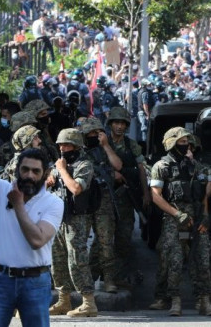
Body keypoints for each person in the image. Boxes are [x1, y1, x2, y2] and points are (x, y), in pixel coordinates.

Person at [0, 119, 63, 327]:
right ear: (17, 171)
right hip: (0, 280)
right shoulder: (1, 190)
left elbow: (37, 239)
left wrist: (18, 205)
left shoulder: (54, 203)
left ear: (45, 175)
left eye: (36, 171)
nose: (29, 176)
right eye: (25, 170)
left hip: (35, 282)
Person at [149, 127, 211, 316]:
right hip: (174, 220)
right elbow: (156, 196)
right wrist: (177, 215)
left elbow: (202, 195)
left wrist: (205, 216)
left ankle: (204, 300)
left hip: (197, 219)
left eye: (187, 141)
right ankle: (174, 300)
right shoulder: (161, 167)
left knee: (202, 259)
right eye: (181, 141)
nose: (185, 144)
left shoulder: (196, 166)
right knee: (174, 261)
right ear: (171, 144)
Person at [47, 128, 98, 318]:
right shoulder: (60, 163)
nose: (62, 148)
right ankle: (63, 299)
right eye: (60, 145)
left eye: (66, 145)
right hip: (58, 217)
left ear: (76, 146)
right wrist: (49, 179)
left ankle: (88, 302)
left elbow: (76, 188)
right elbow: (47, 183)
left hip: (76, 218)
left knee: (77, 259)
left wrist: (61, 170)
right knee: (57, 259)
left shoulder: (84, 165)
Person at [106, 106, 150, 287]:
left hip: (126, 199)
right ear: (111, 124)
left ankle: (117, 276)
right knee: (105, 241)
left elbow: (141, 169)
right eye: (116, 122)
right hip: (106, 199)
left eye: (123, 123)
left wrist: (146, 192)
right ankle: (104, 276)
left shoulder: (132, 145)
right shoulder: (103, 143)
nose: (120, 127)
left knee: (124, 239)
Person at [81, 117, 122, 294]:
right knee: (79, 242)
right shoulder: (76, 151)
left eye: (97, 133)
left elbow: (118, 165)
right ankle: (83, 279)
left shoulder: (104, 150)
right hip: (83, 201)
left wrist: (105, 145)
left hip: (103, 200)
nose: (94, 137)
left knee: (106, 242)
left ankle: (108, 279)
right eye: (90, 134)